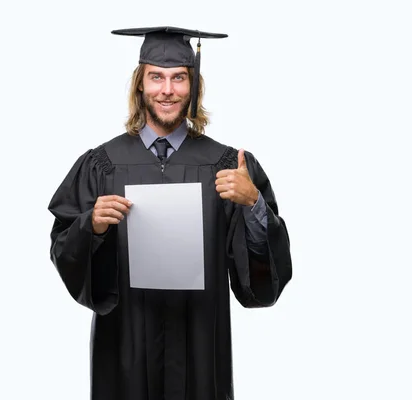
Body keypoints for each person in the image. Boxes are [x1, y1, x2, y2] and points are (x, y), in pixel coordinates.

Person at [47, 26, 292, 400]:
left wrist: (253, 203)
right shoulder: (103, 164)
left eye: (179, 78)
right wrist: (90, 227)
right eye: (156, 77)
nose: (167, 89)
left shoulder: (226, 165)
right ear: (140, 85)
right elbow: (63, 246)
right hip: (124, 346)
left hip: (199, 346)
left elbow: (262, 277)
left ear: (193, 87)